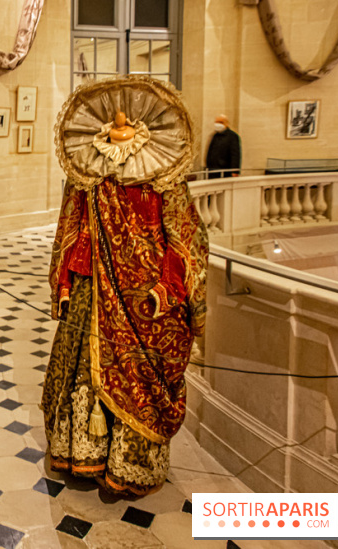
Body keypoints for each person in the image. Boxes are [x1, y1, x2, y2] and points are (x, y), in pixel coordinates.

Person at [43, 78, 208, 497]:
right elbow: (74, 229)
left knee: (141, 376)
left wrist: (168, 288)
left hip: (146, 296)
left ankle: (130, 465)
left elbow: (184, 237)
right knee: (82, 368)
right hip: (94, 288)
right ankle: (85, 457)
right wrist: (67, 280)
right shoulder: (87, 172)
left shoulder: (164, 176)